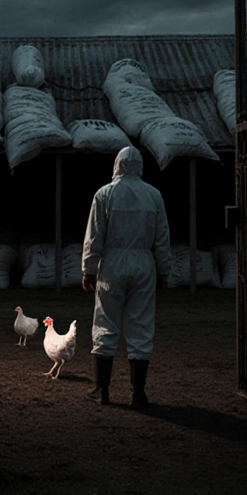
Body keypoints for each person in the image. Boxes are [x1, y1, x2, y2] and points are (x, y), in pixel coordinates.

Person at [81, 145, 171, 408]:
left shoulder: (104, 194)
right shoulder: (153, 195)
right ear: (140, 166)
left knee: (105, 323)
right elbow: (162, 237)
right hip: (143, 264)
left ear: (116, 165)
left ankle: (102, 389)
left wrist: (88, 269)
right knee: (141, 326)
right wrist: (163, 269)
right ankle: (138, 393)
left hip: (112, 265)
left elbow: (94, 235)